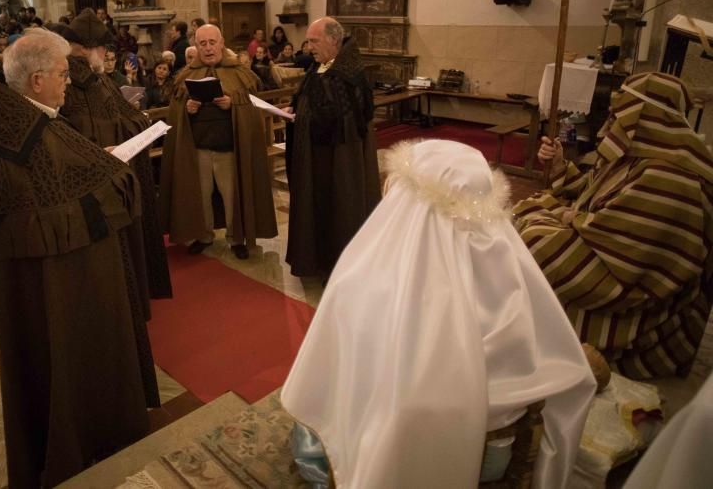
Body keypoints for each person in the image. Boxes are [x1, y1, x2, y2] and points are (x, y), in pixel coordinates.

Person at [282, 140, 596, 489]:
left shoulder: (363, 279)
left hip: (399, 451)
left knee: (325, 407)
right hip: (492, 456)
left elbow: (337, 369)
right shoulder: (511, 270)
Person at [0, 31, 156, 486]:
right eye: (60, 74)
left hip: (63, 271)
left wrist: (99, 160)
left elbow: (68, 175)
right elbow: (56, 194)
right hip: (58, 278)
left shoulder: (29, 121)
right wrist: (108, 169)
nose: (67, 82)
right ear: (36, 81)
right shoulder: (24, 133)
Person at [514, 72, 712, 379]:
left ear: (645, 118)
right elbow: (589, 196)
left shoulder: (671, 175)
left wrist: (556, 214)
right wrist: (558, 168)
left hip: (633, 303)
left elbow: (617, 263)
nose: (607, 128)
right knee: (525, 221)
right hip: (606, 251)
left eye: (618, 118)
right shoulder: (638, 155)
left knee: (531, 240)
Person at [58, 10, 172, 308]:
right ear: (87, 47)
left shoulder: (99, 79)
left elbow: (124, 114)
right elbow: (84, 130)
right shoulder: (71, 83)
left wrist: (139, 122)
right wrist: (137, 125)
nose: (106, 55)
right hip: (98, 180)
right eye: (103, 49)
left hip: (120, 171)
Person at [159, 24, 277, 259]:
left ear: (222, 43)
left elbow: (254, 108)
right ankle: (204, 236)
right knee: (201, 197)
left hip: (229, 149)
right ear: (196, 46)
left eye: (212, 42)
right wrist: (187, 109)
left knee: (232, 197)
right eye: (202, 43)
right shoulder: (187, 74)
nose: (208, 48)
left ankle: (236, 238)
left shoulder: (239, 72)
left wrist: (233, 104)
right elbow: (175, 111)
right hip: (198, 149)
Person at [285, 17, 380, 282]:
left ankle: (338, 264)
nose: (308, 47)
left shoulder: (349, 74)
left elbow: (344, 117)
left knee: (339, 208)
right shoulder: (321, 66)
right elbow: (310, 97)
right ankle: (316, 260)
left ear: (333, 40)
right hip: (315, 156)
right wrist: (295, 109)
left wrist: (308, 117)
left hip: (338, 160)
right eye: (308, 41)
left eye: (314, 41)